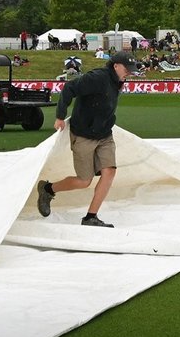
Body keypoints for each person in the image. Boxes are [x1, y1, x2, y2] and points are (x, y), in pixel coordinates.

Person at [35, 51, 138, 228]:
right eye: (126, 69)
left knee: (109, 172)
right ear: (115, 66)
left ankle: (91, 217)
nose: (129, 73)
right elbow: (69, 88)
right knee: (84, 181)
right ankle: (47, 189)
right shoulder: (97, 78)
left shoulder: (117, 81)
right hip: (83, 134)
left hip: (105, 134)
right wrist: (60, 116)